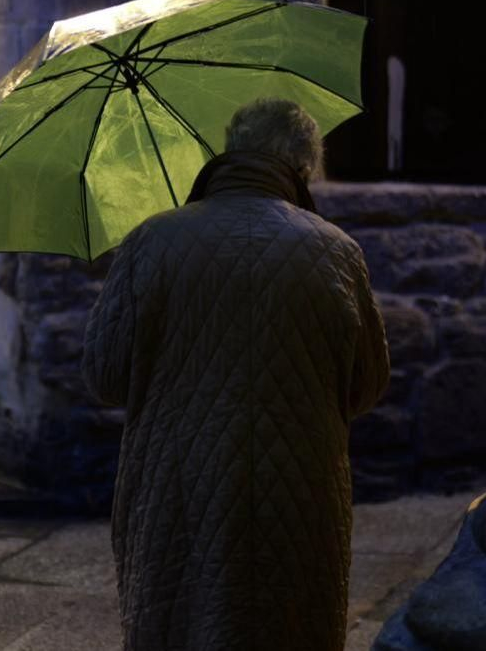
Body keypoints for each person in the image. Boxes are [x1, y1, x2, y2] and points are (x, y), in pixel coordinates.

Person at [82, 97, 391, 651]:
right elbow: (367, 387)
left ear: (228, 151)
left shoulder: (153, 239)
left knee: (178, 623)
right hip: (300, 495)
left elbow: (105, 375)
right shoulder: (337, 253)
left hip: (175, 491)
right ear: (303, 168)